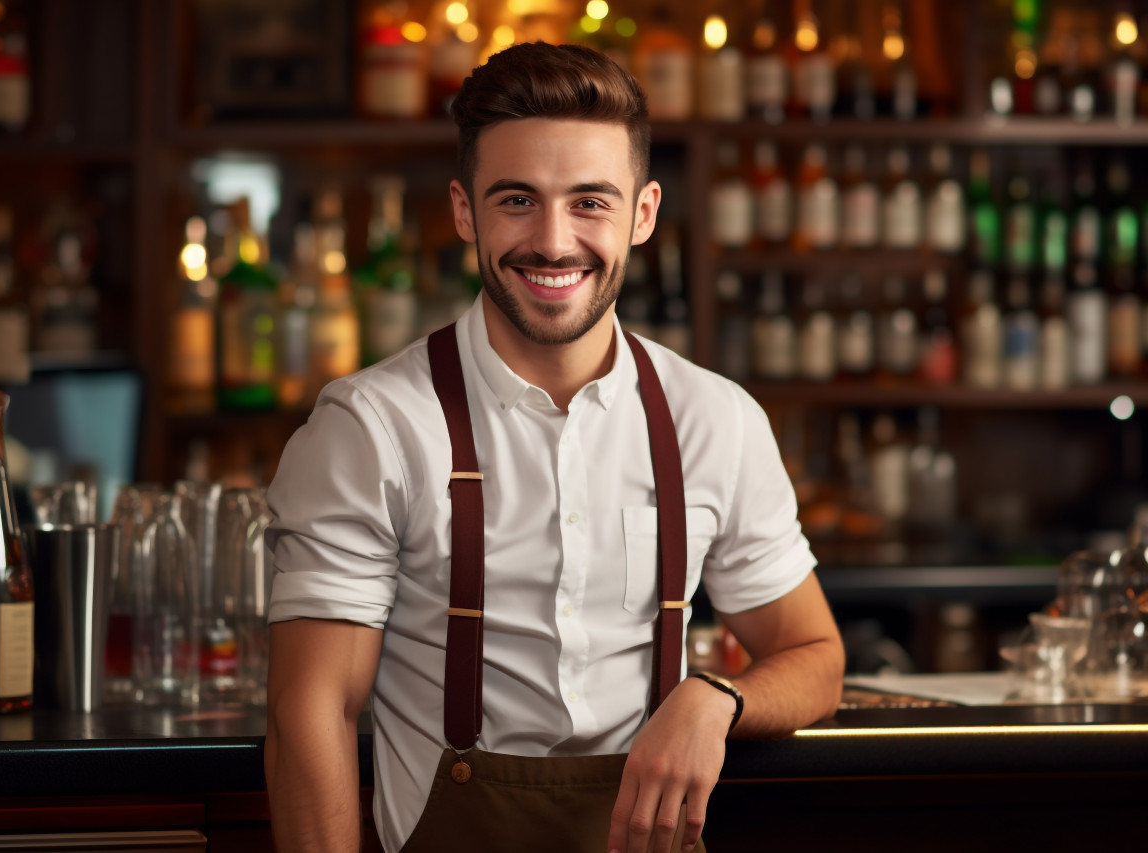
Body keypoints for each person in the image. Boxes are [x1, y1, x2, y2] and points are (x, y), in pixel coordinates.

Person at [264, 41, 844, 853]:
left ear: (642, 214)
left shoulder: (716, 419)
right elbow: (309, 712)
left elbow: (815, 655)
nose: (553, 240)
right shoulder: (369, 428)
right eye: (517, 200)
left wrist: (714, 696)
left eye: (589, 202)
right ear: (465, 211)